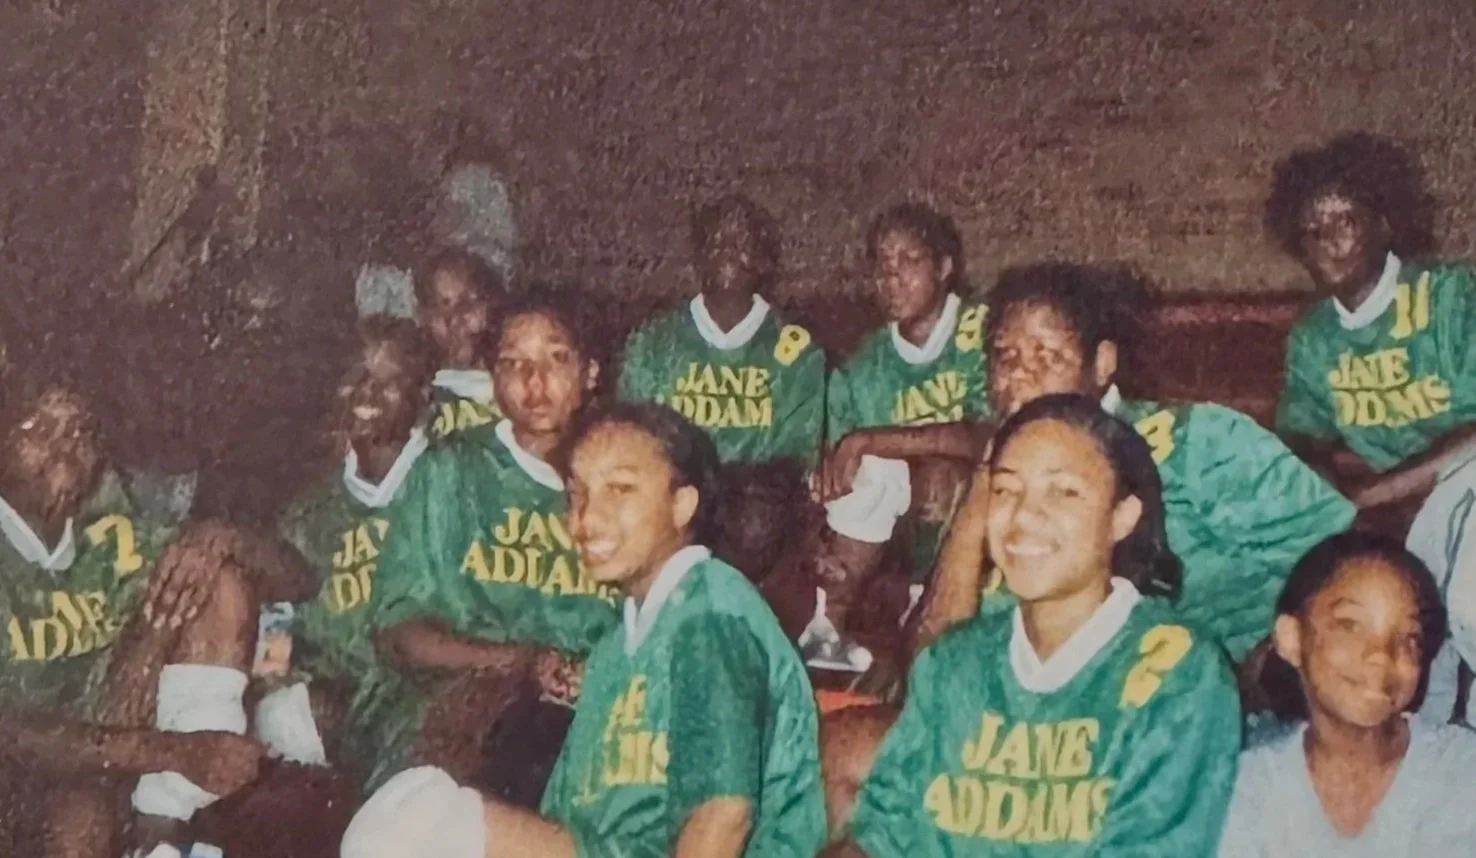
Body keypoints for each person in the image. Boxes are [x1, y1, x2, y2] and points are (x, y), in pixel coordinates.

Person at [340, 401, 826, 858]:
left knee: (422, 818)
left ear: (682, 506)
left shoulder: (711, 614)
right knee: (408, 804)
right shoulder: (617, 650)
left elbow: (724, 814)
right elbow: (566, 820)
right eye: (577, 495)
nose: (586, 519)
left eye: (620, 489)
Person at [826, 394, 1240, 858]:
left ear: (1122, 517)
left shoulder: (1179, 674)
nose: (1024, 515)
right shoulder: (955, 662)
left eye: (1063, 492)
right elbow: (882, 838)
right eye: (1005, 490)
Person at [914, 263, 1355, 663]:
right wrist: (981, 489)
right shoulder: (997, 482)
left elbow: (1347, 554)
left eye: (1047, 355)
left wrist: (1268, 661)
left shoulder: (1198, 441)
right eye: (1004, 356)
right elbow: (929, 665)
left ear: (1102, 363)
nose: (1020, 376)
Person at [0, 384, 284, 856]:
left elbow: (301, 578)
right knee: (79, 824)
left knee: (214, 573)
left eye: (80, 430)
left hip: (115, 748)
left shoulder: (113, 534)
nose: (64, 443)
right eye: (36, 428)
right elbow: (12, 735)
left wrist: (220, 538)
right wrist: (175, 750)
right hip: (25, 778)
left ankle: (164, 829)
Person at [368, 293, 619, 796]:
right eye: (513, 363)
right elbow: (399, 633)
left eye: (556, 359)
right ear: (492, 377)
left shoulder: (622, 479)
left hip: (586, 713)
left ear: (590, 372)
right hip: (457, 706)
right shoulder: (452, 472)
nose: (535, 383)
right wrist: (518, 662)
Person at [1267, 133, 1476, 724]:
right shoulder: (1314, 337)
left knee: (1468, 602)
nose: (1329, 240)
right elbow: (1299, 433)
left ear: (1384, 224)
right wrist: (1323, 482)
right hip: (1409, 507)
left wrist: (1373, 496)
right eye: (1312, 229)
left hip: (1461, 484)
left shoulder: (1452, 295)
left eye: (1346, 220)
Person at [247, 316, 437, 782]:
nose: (368, 395)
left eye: (390, 382)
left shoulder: (445, 483)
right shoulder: (310, 511)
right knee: (287, 715)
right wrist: (273, 674)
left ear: (424, 397)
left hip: (423, 695)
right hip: (335, 703)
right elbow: (279, 619)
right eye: (355, 378)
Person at [1218, 531, 1476, 856]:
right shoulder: (1248, 788)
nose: (1382, 655)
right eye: (1351, 626)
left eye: (1408, 638)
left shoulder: (1461, 772)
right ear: (1291, 638)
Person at [618, 194, 824, 579]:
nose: (729, 252)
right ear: (698, 256)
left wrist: (727, 490)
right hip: (674, 494)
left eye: (742, 242)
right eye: (717, 242)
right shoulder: (654, 341)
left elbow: (793, 457)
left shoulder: (794, 350)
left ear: (764, 261)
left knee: (758, 514)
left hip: (749, 508)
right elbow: (633, 438)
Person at [415, 247, 508, 444]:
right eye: (440, 305)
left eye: (469, 301)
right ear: (423, 317)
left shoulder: (519, 389)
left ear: (492, 305)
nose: (455, 318)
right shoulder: (422, 402)